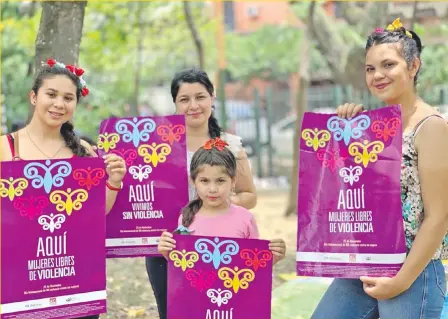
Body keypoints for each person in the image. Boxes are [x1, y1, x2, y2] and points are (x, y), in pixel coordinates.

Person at [311, 18, 448, 319]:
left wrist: (401, 281)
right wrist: (345, 133)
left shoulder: (432, 127)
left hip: (414, 271)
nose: (377, 76)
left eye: (388, 65)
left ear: (413, 67)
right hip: (363, 263)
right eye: (370, 69)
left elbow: (439, 217)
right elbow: (345, 194)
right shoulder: (370, 127)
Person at [0, 58, 127, 319]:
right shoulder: (5, 147)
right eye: (51, 94)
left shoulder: (84, 152)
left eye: (68, 98)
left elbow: (96, 213)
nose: (59, 104)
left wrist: (114, 181)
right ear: (34, 97)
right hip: (19, 277)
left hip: (76, 275)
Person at [146, 69, 258, 319]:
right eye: (184, 99)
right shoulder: (156, 146)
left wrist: (211, 206)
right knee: (174, 313)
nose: (193, 106)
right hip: (168, 248)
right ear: (175, 103)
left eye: (200, 97)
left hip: (220, 246)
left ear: (212, 97)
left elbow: (250, 195)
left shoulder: (231, 145)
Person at [157, 138, 286, 263]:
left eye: (220, 180)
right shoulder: (185, 219)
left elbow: (253, 265)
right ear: (193, 181)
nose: (213, 189)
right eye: (204, 181)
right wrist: (167, 252)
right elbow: (185, 267)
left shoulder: (245, 219)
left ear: (233, 181)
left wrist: (272, 257)